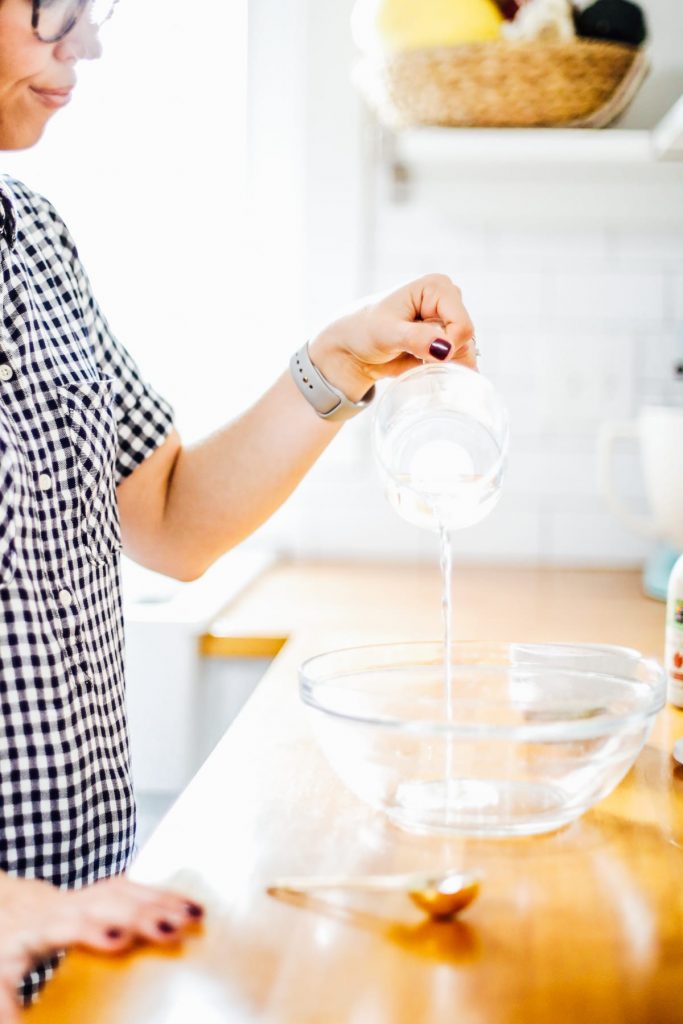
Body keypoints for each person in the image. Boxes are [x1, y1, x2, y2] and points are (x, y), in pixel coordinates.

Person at [0, 0, 476, 1013]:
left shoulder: (32, 238)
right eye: (54, 11)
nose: (86, 43)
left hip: (81, 933)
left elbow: (172, 519)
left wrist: (336, 364)